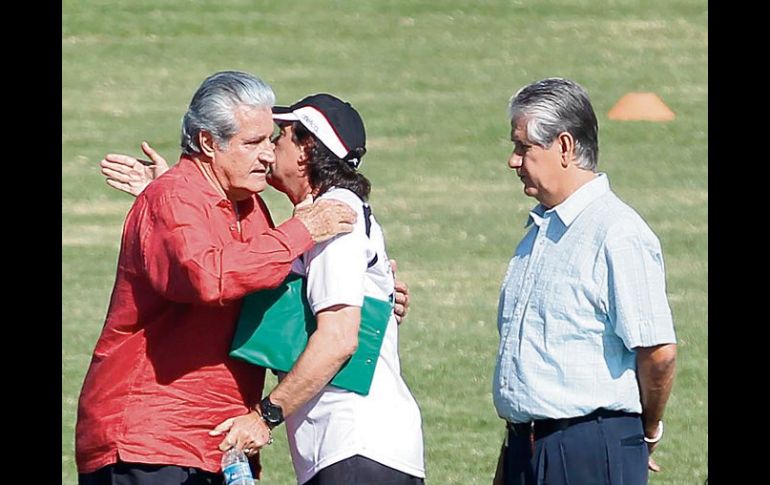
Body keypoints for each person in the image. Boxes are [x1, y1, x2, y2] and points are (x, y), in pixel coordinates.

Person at [75, 71, 359, 485]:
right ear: (209, 142)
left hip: (216, 442)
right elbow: (206, 276)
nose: (267, 155)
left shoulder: (249, 206)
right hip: (149, 439)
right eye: (252, 143)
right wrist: (301, 230)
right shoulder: (174, 197)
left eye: (271, 140)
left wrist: (365, 292)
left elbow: (267, 284)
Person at [211, 93, 425, 484]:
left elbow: (339, 339)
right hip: (353, 449)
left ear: (307, 149)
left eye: (280, 136)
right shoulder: (324, 215)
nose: (270, 148)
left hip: (357, 447)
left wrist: (265, 416)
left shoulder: (335, 218)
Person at [491, 78, 677, 485]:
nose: (513, 160)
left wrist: (647, 431)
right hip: (528, 445)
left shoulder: (617, 232)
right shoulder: (539, 232)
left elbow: (658, 352)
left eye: (523, 147)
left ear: (564, 146)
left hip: (590, 449)